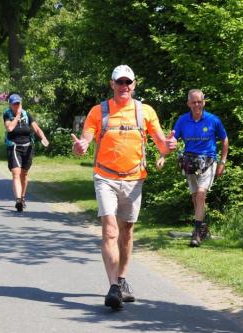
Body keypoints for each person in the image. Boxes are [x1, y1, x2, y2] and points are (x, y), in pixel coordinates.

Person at [71, 65, 177, 309]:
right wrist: (82, 146)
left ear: (134, 84)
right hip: (105, 177)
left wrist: (168, 146)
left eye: (128, 82)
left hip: (134, 178)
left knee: (126, 230)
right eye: (120, 82)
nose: (124, 87)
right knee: (110, 230)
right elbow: (86, 137)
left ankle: (122, 279)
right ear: (112, 84)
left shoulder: (145, 111)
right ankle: (113, 287)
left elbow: (161, 146)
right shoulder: (99, 111)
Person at [168, 89, 228, 247]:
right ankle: (202, 228)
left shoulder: (213, 120)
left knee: (201, 195)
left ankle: (196, 234)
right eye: (193, 102)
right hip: (189, 162)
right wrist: (164, 154)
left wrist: (222, 162)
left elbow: (224, 139)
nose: (196, 105)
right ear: (188, 103)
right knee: (195, 197)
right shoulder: (182, 120)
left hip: (208, 162)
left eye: (199, 102)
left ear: (204, 102)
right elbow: (172, 141)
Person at [3, 93, 49, 212]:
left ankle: (22, 197)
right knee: (16, 173)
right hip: (14, 146)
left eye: (19, 103)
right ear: (10, 105)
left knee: (24, 174)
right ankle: (18, 200)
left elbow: (36, 128)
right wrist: (17, 116)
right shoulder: (7, 114)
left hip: (27, 147)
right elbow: (9, 128)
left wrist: (43, 137)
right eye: (15, 104)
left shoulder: (27, 114)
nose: (17, 106)